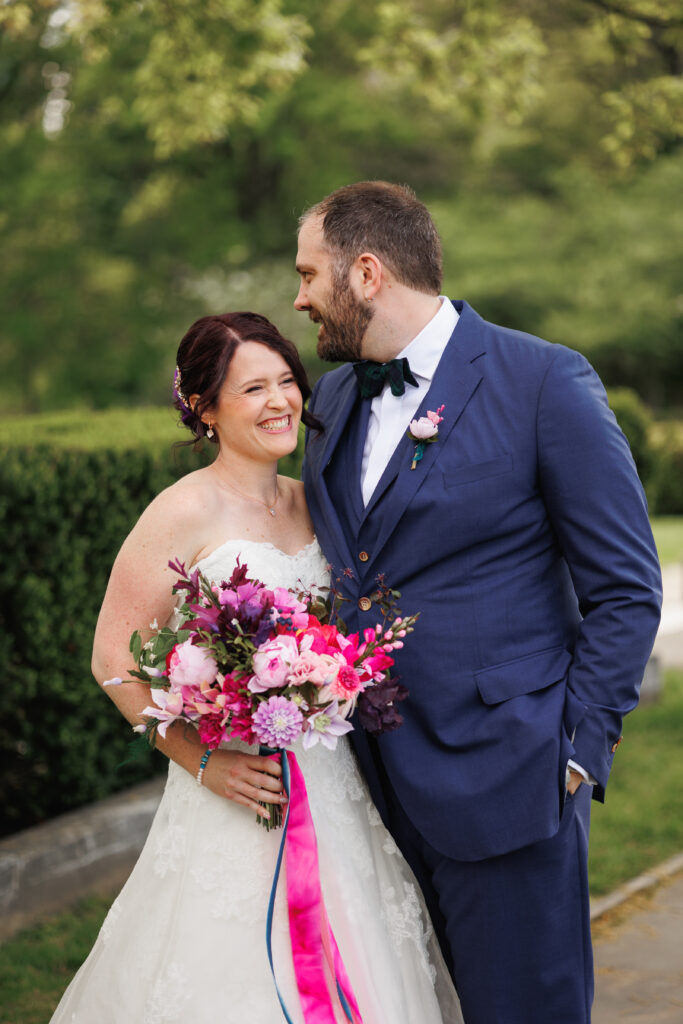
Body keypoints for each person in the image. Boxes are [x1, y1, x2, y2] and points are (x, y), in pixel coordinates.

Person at [296, 181, 662, 1024]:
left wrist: (577, 746)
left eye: (308, 273)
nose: (298, 296)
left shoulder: (543, 381)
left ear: (365, 271)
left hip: (508, 774)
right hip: (362, 787)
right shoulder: (332, 401)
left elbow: (625, 587)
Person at [49, 311, 462, 1024]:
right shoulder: (180, 512)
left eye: (286, 382)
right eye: (252, 389)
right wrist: (200, 759)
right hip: (235, 790)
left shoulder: (318, 500)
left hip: (335, 783)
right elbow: (111, 659)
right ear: (204, 409)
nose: (280, 402)